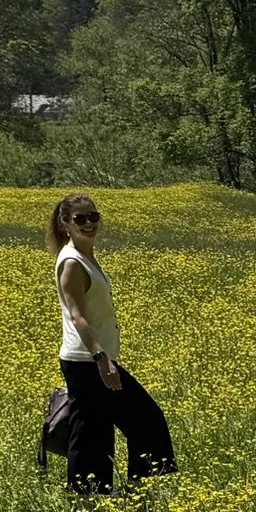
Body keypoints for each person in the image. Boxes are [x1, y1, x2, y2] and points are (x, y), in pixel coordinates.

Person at [50, 192, 176, 494]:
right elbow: (78, 317)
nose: (89, 223)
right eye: (80, 218)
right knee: (145, 420)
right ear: (65, 223)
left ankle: (99, 498)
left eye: (94, 216)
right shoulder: (72, 263)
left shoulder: (85, 255)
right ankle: (124, 495)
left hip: (92, 359)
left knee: (94, 429)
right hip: (86, 361)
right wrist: (102, 359)